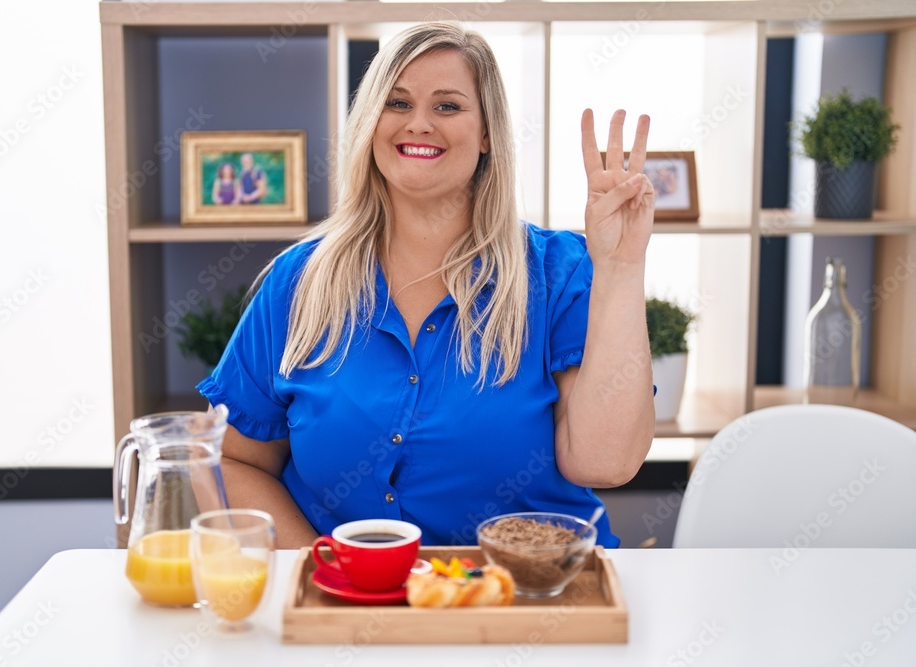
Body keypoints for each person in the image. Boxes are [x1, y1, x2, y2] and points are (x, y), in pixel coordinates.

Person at [198, 22, 656, 549]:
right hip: (357, 607)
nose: (418, 124)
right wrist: (321, 566)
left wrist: (621, 267)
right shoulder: (298, 282)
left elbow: (606, 462)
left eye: (447, 106)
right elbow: (232, 462)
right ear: (370, 123)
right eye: (396, 103)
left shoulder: (560, 273)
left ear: (487, 133)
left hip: (532, 600)